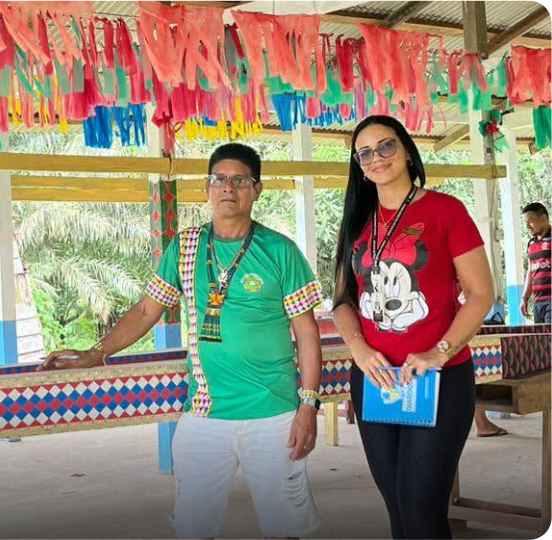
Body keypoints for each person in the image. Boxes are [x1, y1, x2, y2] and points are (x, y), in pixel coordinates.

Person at [42, 143, 323, 539]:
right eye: (219, 179)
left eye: (239, 180)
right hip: (205, 413)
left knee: (284, 527)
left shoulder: (280, 251)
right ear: (207, 188)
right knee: (194, 527)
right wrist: (94, 353)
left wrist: (307, 406)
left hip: (274, 414)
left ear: (256, 190)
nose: (228, 187)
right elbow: (145, 311)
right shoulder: (187, 246)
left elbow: (306, 333)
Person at [332, 115, 494, 540]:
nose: (376, 158)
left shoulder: (446, 210)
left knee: (422, 511)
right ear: (358, 164)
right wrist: (360, 351)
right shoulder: (356, 221)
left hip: (437, 379)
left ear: (406, 149)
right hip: (376, 380)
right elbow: (342, 304)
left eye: (385, 146)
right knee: (399, 508)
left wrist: (439, 351)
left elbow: (481, 294)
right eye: (364, 152)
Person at [520, 202, 552, 323]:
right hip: (538, 303)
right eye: (525, 223)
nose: (527, 226)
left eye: (530, 221)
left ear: (543, 218)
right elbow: (530, 272)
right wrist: (524, 298)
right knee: (540, 341)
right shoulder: (531, 244)